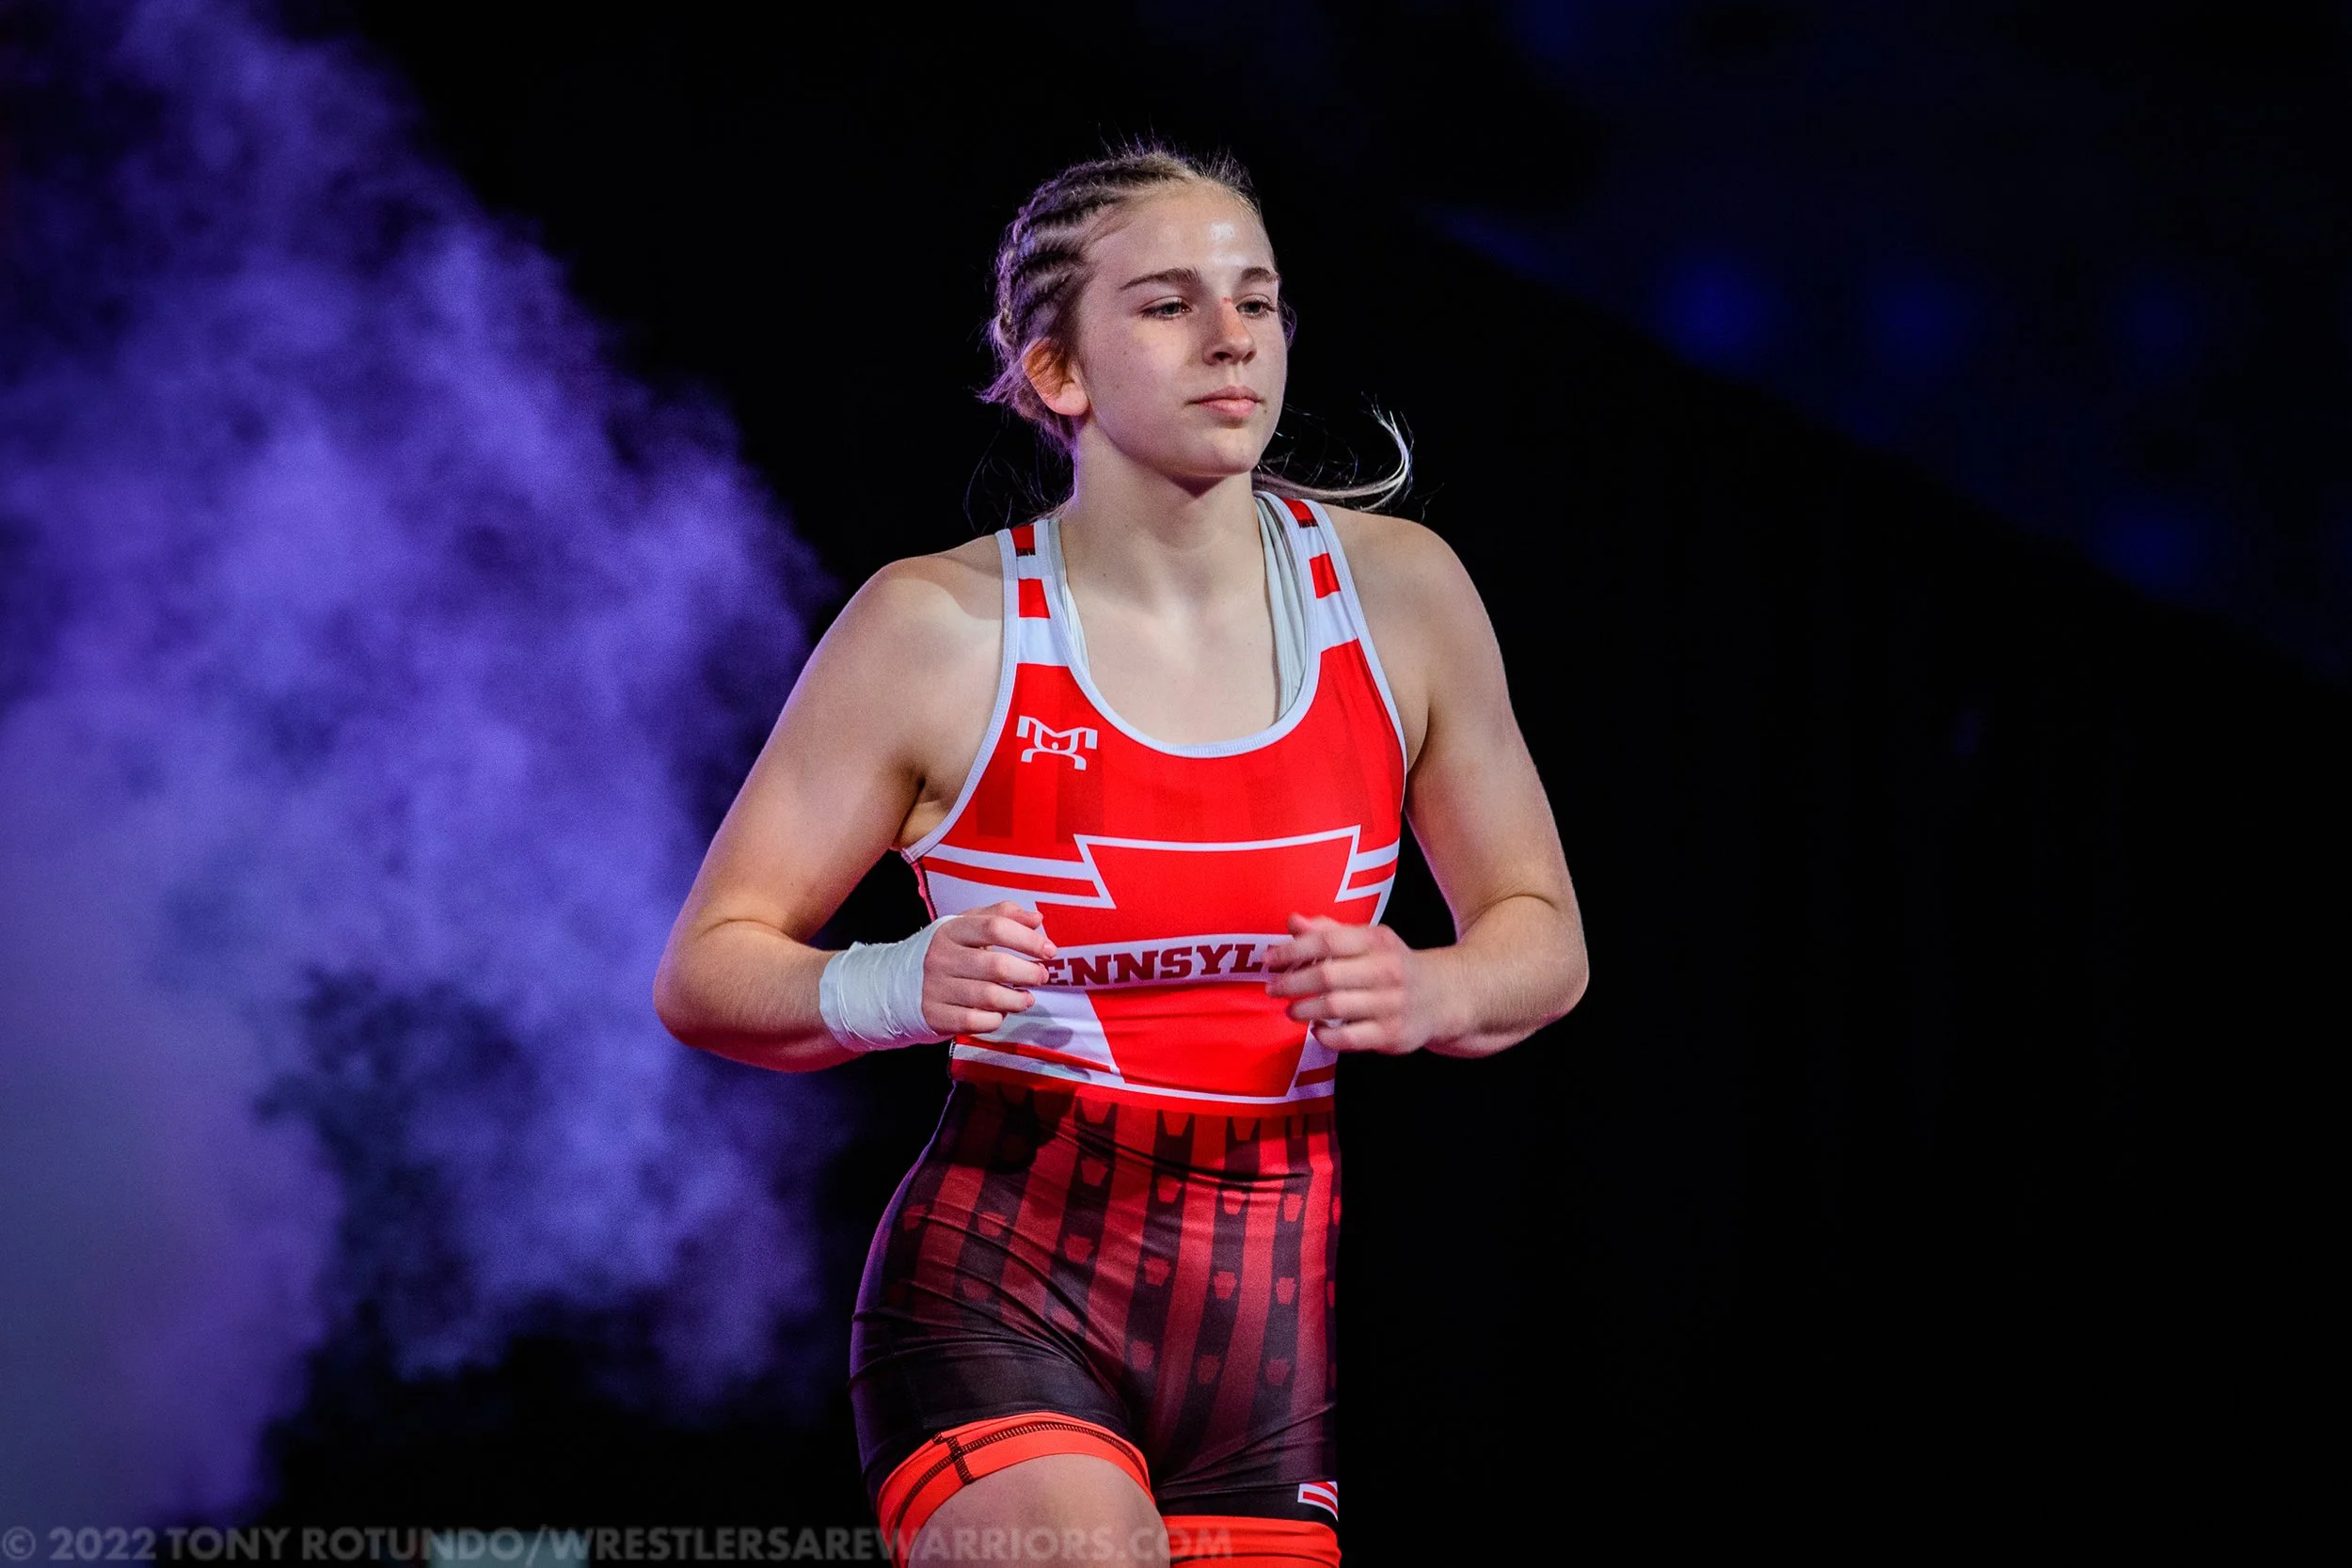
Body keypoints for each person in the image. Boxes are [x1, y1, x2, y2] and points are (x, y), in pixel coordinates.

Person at [654, 145, 1588, 1566]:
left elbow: (1543, 933)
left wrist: (1436, 992)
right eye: (1166, 304)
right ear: (1058, 375)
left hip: (1266, 1356)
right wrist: (890, 984)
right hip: (994, 1300)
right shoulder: (936, 631)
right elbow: (707, 972)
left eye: (1258, 300)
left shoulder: (1402, 598)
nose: (1233, 338)